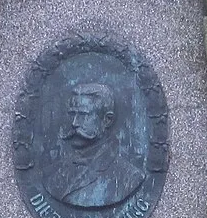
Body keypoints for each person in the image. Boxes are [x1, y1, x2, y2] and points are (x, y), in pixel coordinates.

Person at [44, 81, 145, 209]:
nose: (74, 123)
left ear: (107, 120)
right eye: (72, 114)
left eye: (83, 115)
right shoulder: (52, 172)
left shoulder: (130, 178)